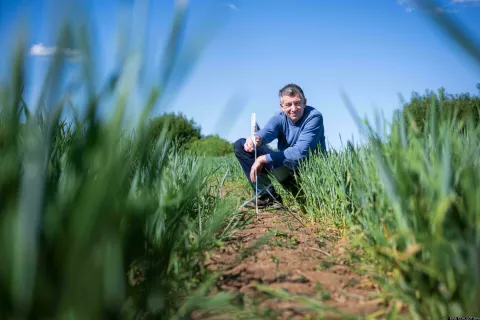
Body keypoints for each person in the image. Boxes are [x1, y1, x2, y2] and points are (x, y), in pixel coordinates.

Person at [233, 83, 327, 208]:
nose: (293, 108)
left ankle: (304, 199)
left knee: (281, 159)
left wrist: (263, 158)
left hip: (307, 173)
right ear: (282, 106)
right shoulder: (279, 118)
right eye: (288, 105)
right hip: (283, 166)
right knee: (241, 145)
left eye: (297, 103)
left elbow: (300, 152)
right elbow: (268, 131)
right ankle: (268, 196)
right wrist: (257, 139)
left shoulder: (314, 117)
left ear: (304, 102)